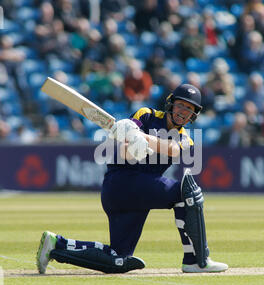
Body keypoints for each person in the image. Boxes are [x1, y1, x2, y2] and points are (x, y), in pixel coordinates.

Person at [36, 84, 228, 274]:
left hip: (137, 195)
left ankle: (55, 245)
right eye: (181, 105)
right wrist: (130, 141)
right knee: (187, 194)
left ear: (193, 116)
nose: (183, 111)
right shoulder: (146, 115)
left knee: (118, 258)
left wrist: (142, 138)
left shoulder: (185, 139)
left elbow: (173, 149)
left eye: (189, 109)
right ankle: (196, 261)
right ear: (170, 104)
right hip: (122, 182)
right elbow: (125, 154)